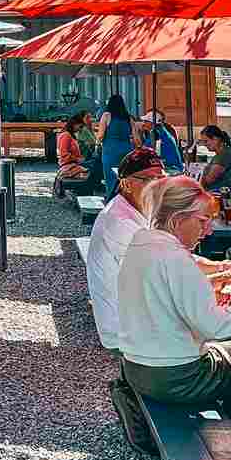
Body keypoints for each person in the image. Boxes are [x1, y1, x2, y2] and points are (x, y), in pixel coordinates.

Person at [118, 176, 231, 460]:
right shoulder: (174, 257)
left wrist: (213, 297)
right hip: (174, 375)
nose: (209, 230)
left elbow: (170, 302)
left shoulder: (140, 244)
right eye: (203, 220)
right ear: (178, 219)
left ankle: (218, 450)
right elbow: (213, 326)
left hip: (136, 367)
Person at [85, 147, 166, 354]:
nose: (157, 186)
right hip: (127, 331)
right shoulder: (120, 222)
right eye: (149, 180)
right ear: (126, 183)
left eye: (161, 179)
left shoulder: (135, 208)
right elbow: (164, 272)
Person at [96, 95, 136, 197]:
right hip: (127, 150)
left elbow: (100, 136)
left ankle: (112, 199)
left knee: (111, 177)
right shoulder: (129, 118)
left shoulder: (106, 116)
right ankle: (125, 199)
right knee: (125, 176)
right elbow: (136, 139)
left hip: (110, 151)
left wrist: (98, 143)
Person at [199, 125, 231, 197]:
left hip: (229, 198)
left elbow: (208, 180)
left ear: (216, 139)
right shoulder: (220, 155)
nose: (204, 144)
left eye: (206, 141)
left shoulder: (224, 155)